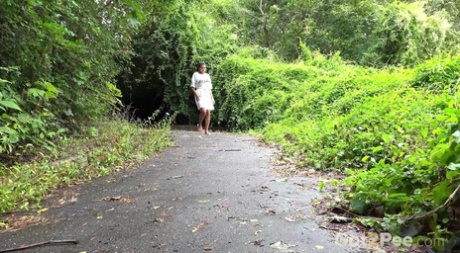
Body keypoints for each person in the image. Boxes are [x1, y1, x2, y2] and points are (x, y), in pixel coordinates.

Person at [190, 62, 215, 135]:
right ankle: (199, 124)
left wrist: (212, 98)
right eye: (202, 67)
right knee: (203, 110)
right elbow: (192, 86)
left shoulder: (207, 75)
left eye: (204, 67)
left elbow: (210, 88)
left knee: (208, 112)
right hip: (199, 93)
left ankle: (206, 130)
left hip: (207, 93)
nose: (203, 69)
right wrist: (196, 94)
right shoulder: (195, 74)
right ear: (199, 68)